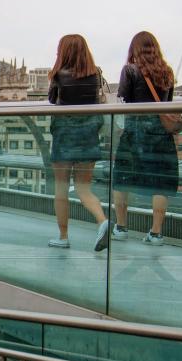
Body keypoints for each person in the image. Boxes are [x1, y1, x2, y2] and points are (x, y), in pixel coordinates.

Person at [112, 31, 179, 246]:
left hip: (134, 133)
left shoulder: (129, 70)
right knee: (161, 183)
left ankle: (121, 228)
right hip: (160, 134)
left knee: (122, 180)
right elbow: (167, 104)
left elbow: (123, 101)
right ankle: (156, 232)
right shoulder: (167, 72)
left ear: (134, 49)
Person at [45, 34, 110, 251]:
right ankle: (102, 220)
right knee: (83, 188)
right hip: (88, 135)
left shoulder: (58, 75)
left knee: (61, 189)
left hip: (65, 135)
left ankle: (63, 237)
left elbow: (52, 100)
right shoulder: (95, 73)